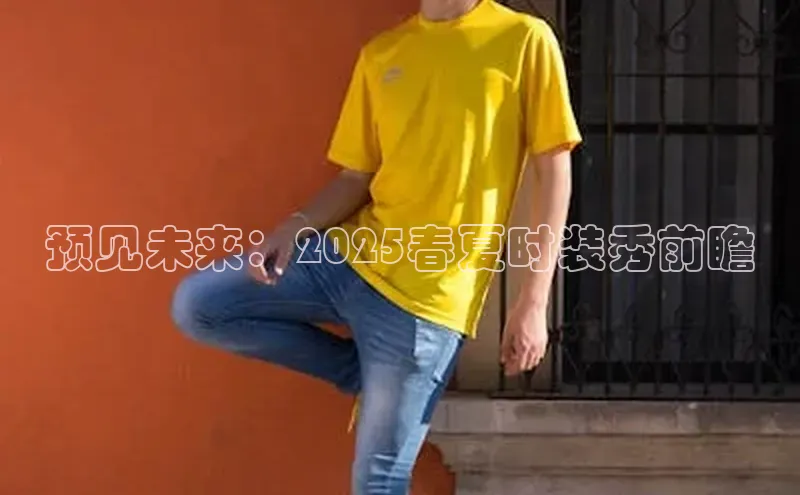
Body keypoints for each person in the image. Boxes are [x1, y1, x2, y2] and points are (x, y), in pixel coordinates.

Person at [170, 0, 581, 493]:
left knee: (378, 482)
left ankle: (378, 373)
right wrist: (292, 228)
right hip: (347, 260)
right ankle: (358, 369)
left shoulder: (525, 39)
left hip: (425, 302)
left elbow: (554, 172)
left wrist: (533, 303)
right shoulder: (383, 53)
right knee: (200, 305)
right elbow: (355, 177)